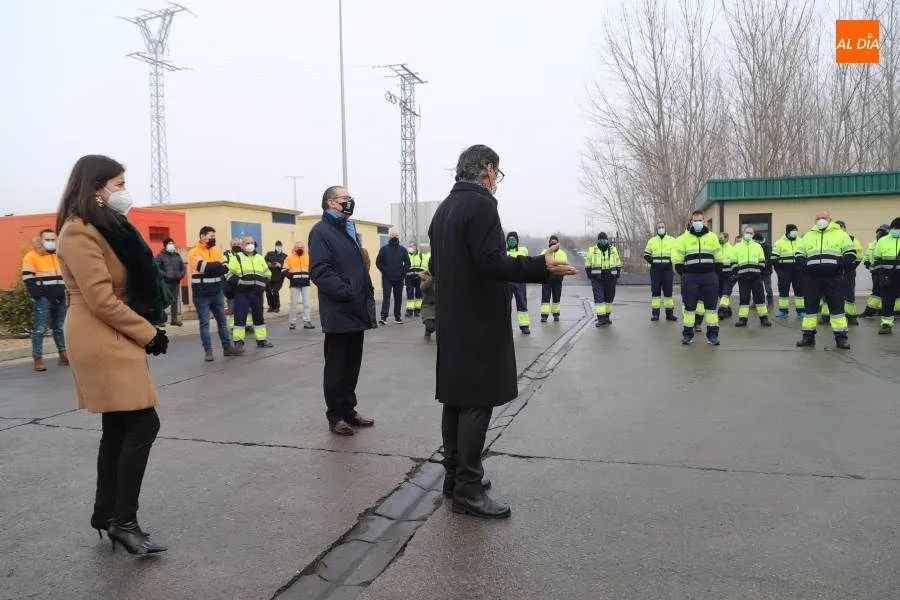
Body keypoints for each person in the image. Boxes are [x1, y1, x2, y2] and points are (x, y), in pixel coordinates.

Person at [429, 144, 577, 519]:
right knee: (477, 401)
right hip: (478, 319)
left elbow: (437, 265)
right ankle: (468, 488)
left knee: (455, 399)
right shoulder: (480, 205)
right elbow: (490, 262)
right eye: (498, 173)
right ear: (489, 170)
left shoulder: (444, 209)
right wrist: (540, 266)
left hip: (453, 318)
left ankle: (454, 477)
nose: (497, 180)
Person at [55, 154, 168, 555]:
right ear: (96, 188)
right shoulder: (78, 231)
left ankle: (106, 513)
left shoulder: (105, 227)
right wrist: (148, 333)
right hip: (99, 333)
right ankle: (123, 521)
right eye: (119, 184)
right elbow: (100, 299)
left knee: (119, 427)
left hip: (112, 329)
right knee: (143, 424)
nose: (125, 191)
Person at [309, 185, 378, 436]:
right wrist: (346, 291)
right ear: (330, 202)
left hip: (355, 309)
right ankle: (336, 415)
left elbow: (358, 266)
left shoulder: (347, 229)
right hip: (339, 309)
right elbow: (320, 270)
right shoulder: (321, 231)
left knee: (352, 365)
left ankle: (349, 409)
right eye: (344, 198)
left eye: (350, 197)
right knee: (337, 367)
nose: (350, 201)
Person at [795, 210, 856, 349]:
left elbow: (851, 254)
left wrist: (839, 267)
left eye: (823, 217)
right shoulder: (808, 236)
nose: (821, 220)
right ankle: (808, 337)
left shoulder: (841, 234)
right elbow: (799, 255)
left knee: (837, 308)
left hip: (833, 277)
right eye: (818, 218)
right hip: (812, 278)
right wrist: (806, 267)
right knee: (810, 308)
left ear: (830, 219)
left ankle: (841, 339)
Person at [188, 228, 242, 361]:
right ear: (202, 236)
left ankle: (227, 348)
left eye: (214, 236)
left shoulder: (216, 250)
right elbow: (202, 267)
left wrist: (212, 267)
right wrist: (216, 266)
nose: (213, 238)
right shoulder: (194, 252)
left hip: (217, 292)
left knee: (222, 322)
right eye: (211, 236)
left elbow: (225, 268)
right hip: (201, 294)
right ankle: (208, 352)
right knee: (204, 324)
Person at [673, 210, 723, 346]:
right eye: (695, 221)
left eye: (700, 220)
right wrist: (684, 272)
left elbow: (719, 257)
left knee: (711, 309)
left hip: (709, 277)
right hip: (691, 278)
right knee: (689, 308)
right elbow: (678, 258)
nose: (698, 223)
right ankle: (687, 336)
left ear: (704, 221)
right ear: (691, 221)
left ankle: (712, 336)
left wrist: (716, 274)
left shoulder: (712, 237)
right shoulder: (684, 238)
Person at [22, 229, 67, 372]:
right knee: (40, 329)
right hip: (43, 299)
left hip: (61, 297)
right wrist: (38, 296)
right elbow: (28, 278)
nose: (50, 242)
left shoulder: (60, 255)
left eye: (53, 239)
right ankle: (38, 358)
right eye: (47, 239)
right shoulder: (31, 256)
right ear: (41, 240)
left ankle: (63, 355)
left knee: (59, 327)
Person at [226, 236, 273, 349]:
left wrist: (263, 285)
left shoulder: (260, 258)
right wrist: (239, 282)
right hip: (242, 293)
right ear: (242, 245)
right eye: (247, 243)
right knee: (240, 317)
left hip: (257, 293)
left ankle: (261, 340)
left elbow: (267, 274)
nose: (250, 245)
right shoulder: (237, 257)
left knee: (259, 317)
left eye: (252, 242)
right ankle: (238, 342)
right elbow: (229, 274)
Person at [732, 227, 772, 327]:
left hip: (756, 277)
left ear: (753, 234)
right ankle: (742, 319)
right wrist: (738, 272)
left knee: (760, 298)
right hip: (743, 277)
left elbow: (762, 260)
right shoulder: (737, 247)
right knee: (744, 298)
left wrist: (758, 271)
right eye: (747, 232)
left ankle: (764, 318)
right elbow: (733, 261)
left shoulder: (758, 246)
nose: (749, 234)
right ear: (743, 233)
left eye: (751, 233)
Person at [643, 221, 678, 322]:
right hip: (655, 271)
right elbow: (646, 254)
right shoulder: (652, 241)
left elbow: (675, 254)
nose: (661, 229)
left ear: (665, 228)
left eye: (662, 227)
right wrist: (653, 262)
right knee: (655, 293)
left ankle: (669, 314)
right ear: (657, 229)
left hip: (668, 271)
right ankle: (655, 314)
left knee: (668, 293)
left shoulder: (672, 240)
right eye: (659, 227)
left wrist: (672, 263)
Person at [585, 232, 622, 326]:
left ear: (607, 240)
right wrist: (591, 276)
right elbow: (587, 264)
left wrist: (617, 275)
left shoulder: (613, 249)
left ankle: (607, 317)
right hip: (597, 279)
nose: (602, 241)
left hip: (610, 278)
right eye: (601, 239)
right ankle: (601, 319)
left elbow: (618, 263)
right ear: (598, 240)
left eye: (604, 239)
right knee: (599, 299)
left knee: (609, 298)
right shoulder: (592, 250)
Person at [872, 217, 900, 334]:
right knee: (887, 301)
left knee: (888, 300)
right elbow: (877, 258)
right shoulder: (882, 241)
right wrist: (880, 274)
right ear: (891, 228)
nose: (896, 230)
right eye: (895, 228)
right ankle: (886, 324)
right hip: (888, 276)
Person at [376, 230, 409, 325]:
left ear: (398, 237)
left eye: (396, 235)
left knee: (398, 298)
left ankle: (397, 317)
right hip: (387, 278)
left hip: (399, 278)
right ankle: (384, 318)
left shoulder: (403, 250)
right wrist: (385, 271)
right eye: (392, 235)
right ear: (389, 236)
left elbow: (407, 263)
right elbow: (378, 262)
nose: (394, 236)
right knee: (386, 297)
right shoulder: (384, 249)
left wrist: (403, 273)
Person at [771, 224, 805, 318]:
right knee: (783, 291)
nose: (795, 232)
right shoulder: (779, 242)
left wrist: (803, 269)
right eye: (793, 230)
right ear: (787, 232)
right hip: (784, 271)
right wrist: (779, 271)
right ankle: (783, 310)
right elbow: (774, 259)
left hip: (798, 271)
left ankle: (801, 311)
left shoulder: (801, 242)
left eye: (796, 230)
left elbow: (805, 256)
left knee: (800, 291)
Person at [834, 220, 863, 325]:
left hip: (848, 271)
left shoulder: (852, 239)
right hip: (833, 271)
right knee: (829, 293)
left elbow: (859, 255)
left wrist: (850, 267)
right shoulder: (831, 239)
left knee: (849, 294)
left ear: (845, 228)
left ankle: (850, 316)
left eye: (841, 227)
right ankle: (826, 316)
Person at [283, 240, 315, 330]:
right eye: (298, 247)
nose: (300, 249)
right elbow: (284, 270)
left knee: (307, 304)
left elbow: (313, 268)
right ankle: (292, 322)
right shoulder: (289, 257)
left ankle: (307, 321)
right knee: (293, 305)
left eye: (301, 247)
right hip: (294, 284)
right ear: (294, 248)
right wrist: (291, 277)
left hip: (306, 284)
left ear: (304, 248)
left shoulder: (308, 257)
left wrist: (310, 276)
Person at [155, 237, 185, 327]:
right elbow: (156, 267)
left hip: (176, 282)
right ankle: (160, 320)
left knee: (174, 301)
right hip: (165, 283)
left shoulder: (177, 256)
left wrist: (181, 275)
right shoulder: (160, 256)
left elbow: (183, 268)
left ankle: (174, 320)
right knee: (163, 300)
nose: (172, 245)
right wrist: (165, 275)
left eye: (172, 243)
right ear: (165, 245)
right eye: (169, 244)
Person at [505, 231, 531, 334]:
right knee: (505, 305)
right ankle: (504, 327)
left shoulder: (523, 250)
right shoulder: (503, 252)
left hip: (520, 281)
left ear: (517, 241)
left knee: (522, 303)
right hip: (507, 281)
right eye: (509, 240)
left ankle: (524, 326)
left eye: (513, 239)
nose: (511, 241)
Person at [862, 224, 890, 318]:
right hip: (875, 272)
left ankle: (876, 311)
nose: (879, 234)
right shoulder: (872, 244)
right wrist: (866, 261)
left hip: (887, 271)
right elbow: (867, 255)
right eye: (878, 232)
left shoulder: (890, 243)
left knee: (887, 291)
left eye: (882, 232)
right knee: (877, 291)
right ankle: (874, 311)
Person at [540, 234, 568, 322]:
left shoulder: (563, 253)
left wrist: (561, 275)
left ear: (557, 243)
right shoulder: (544, 252)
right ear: (549, 243)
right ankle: (544, 316)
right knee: (545, 298)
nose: (553, 244)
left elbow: (565, 266)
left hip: (558, 279)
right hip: (546, 279)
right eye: (552, 243)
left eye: (555, 243)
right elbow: (540, 265)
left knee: (556, 298)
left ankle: (556, 315)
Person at [405, 241, 426, 317]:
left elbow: (424, 267)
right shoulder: (406, 256)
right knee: (410, 294)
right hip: (409, 278)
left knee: (419, 294)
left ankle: (417, 311)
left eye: (412, 246)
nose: (410, 248)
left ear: (416, 247)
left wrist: (422, 275)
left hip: (419, 278)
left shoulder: (421, 255)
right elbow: (404, 267)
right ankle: (409, 311)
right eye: (409, 246)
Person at [264, 241, 287, 313]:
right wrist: (268, 264)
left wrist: (280, 265)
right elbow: (264, 262)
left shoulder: (285, 256)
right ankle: (271, 306)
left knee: (275, 291)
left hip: (279, 277)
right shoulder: (269, 254)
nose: (278, 247)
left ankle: (277, 307)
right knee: (268, 292)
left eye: (280, 246)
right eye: (277, 245)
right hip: (269, 276)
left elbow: (287, 266)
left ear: (282, 246)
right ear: (275, 246)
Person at [753, 232, 774, 306]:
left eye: (755, 240)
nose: (754, 242)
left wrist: (763, 264)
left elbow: (770, 259)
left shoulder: (767, 246)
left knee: (768, 288)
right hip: (758, 271)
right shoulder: (756, 246)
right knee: (757, 288)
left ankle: (770, 302)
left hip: (766, 272)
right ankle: (756, 302)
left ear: (759, 240)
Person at [420, 256, 436, 339]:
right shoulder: (425, 276)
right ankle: (428, 329)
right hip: (428, 306)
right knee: (431, 326)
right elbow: (422, 287)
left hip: (440, 306)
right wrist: (432, 278)